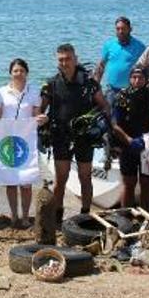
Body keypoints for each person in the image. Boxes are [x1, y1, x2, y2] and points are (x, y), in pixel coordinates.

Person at [41, 43, 110, 223]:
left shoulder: (89, 83)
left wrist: (100, 127)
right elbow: (40, 111)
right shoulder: (51, 84)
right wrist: (40, 123)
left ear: (75, 59)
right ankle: (57, 216)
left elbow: (104, 107)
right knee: (61, 178)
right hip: (60, 136)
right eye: (61, 60)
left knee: (85, 177)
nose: (65, 63)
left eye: (68, 59)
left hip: (84, 136)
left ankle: (86, 215)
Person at [0, 58, 47, 227]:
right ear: (10, 73)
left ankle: (25, 217)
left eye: (21, 70)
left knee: (25, 181)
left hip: (26, 140)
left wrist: (42, 119)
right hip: (7, 140)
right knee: (10, 181)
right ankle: (13, 216)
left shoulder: (34, 91)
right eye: (15, 71)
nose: (18, 73)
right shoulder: (1, 92)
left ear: (27, 73)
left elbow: (36, 115)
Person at [111, 67, 149, 209]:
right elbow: (115, 124)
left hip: (148, 143)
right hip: (128, 144)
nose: (137, 80)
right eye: (134, 77)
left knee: (146, 183)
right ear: (130, 79)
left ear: (146, 79)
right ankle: (125, 215)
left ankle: (146, 215)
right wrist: (127, 140)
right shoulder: (122, 96)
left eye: (140, 77)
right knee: (129, 183)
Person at [94, 16, 146, 109]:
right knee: (110, 118)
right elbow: (101, 65)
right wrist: (96, 86)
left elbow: (145, 69)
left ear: (130, 29)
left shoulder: (140, 46)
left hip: (132, 91)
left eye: (123, 29)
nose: (120, 31)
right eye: (118, 29)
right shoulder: (109, 45)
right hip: (112, 90)